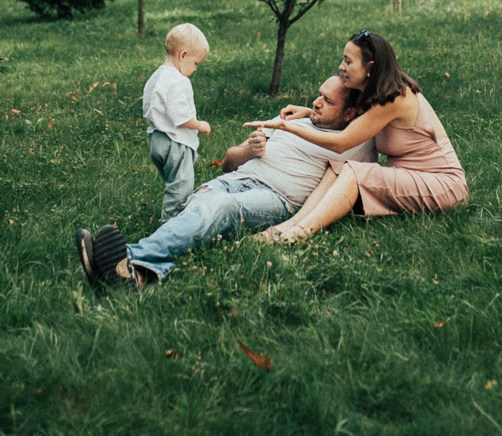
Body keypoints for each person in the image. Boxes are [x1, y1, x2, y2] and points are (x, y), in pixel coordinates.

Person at [75, 75, 374, 290]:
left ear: (349, 113)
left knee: (220, 208)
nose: (316, 102)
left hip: (275, 198)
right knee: (203, 208)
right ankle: (134, 276)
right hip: (235, 177)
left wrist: (299, 225)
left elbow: (346, 185)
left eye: (328, 101)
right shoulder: (293, 119)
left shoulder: (355, 145)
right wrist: (247, 150)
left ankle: (130, 257)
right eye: (319, 95)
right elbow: (228, 162)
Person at [252, 29, 467, 242]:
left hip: (444, 185)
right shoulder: (376, 93)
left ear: (370, 67)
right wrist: (309, 113)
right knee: (338, 167)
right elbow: (359, 125)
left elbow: (341, 143)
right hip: (411, 177)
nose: (341, 67)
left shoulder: (396, 97)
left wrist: (287, 127)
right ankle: (290, 224)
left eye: (348, 62)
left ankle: (299, 233)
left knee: (354, 172)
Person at [142, 22, 211, 219]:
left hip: (157, 139)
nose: (195, 69)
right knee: (181, 187)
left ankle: (173, 215)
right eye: (196, 63)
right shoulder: (179, 81)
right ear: (183, 55)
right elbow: (180, 117)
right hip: (176, 143)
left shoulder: (156, 77)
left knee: (172, 183)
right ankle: (171, 224)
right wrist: (200, 125)